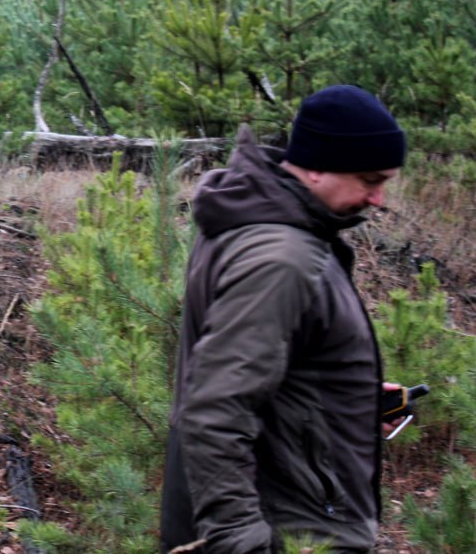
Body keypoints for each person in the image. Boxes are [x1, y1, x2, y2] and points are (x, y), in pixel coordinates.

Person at [160, 85, 407, 553]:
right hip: (292, 527)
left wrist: (343, 397)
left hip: (289, 508)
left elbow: (258, 361)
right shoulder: (282, 258)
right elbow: (216, 408)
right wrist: (239, 538)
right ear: (316, 166)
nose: (377, 198)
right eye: (369, 179)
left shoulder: (257, 218)